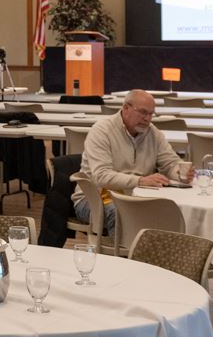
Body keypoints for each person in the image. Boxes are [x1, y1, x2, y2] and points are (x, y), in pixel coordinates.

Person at [76, 90, 187, 236]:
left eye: (151, 114)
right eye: (143, 112)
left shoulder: (153, 134)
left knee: (170, 213)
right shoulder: (101, 131)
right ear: (126, 108)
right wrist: (140, 181)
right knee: (121, 214)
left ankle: (152, 257)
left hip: (137, 198)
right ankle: (123, 258)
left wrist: (179, 172)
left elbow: (170, 163)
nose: (147, 119)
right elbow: (101, 177)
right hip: (94, 199)